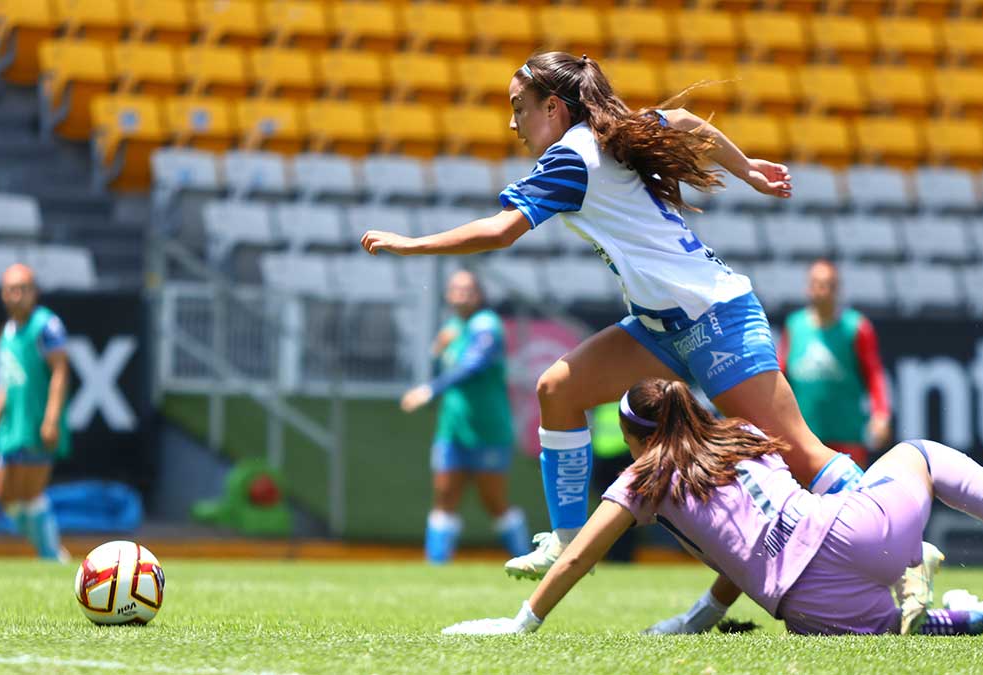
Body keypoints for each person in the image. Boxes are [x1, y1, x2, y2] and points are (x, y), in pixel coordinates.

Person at [362, 51, 860, 579]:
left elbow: (501, 230)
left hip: (714, 318)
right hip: (661, 326)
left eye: (518, 107)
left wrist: (412, 244)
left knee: (801, 454)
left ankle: (899, 539)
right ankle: (568, 541)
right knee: (558, 389)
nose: (512, 123)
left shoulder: (570, 158)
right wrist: (749, 171)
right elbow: (689, 123)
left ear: (552, 107)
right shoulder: (611, 133)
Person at [442, 378, 983, 636]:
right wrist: (700, 614)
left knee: (885, 634)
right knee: (920, 453)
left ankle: (963, 612)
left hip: (800, 605)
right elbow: (748, 529)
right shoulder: (738, 436)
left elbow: (585, 547)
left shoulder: (648, 471)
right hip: (846, 536)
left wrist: (521, 623)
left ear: (641, 434)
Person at [399, 269, 532, 563]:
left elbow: (474, 365)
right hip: (452, 427)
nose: (461, 293)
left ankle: (527, 559)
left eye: (468, 288)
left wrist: (430, 390)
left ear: (480, 295)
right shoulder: (452, 329)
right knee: (444, 496)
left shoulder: (486, 325)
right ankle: (436, 565)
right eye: (456, 288)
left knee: (494, 502)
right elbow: (446, 371)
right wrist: (437, 354)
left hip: (487, 427)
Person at [0, 264, 71, 561]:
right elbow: (8, 382)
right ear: (3, 294)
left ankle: (51, 553)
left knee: (29, 494)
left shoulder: (47, 326)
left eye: (23, 289)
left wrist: (51, 418)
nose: (17, 295)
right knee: (3, 496)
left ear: (34, 293)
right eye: (11, 289)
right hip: (10, 426)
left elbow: (60, 372)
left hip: (36, 421)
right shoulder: (7, 332)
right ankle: (46, 546)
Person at [779, 259, 891, 471]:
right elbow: (781, 374)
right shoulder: (795, 326)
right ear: (808, 287)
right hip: (805, 437)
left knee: (850, 500)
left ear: (837, 289)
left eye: (827, 284)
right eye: (816, 283)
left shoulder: (856, 327)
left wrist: (880, 414)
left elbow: (874, 374)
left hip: (846, 435)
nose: (821, 290)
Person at [590, 402, 639, 563]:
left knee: (625, 510)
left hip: (621, 453)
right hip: (606, 455)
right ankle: (615, 556)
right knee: (613, 508)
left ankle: (621, 556)